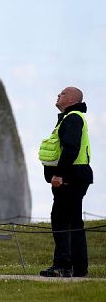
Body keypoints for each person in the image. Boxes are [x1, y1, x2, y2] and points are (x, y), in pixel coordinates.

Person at [39, 87, 93, 278]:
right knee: (73, 221)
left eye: (61, 94)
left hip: (70, 178)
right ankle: (78, 267)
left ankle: (64, 265)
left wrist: (60, 175)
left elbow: (70, 148)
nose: (58, 95)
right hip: (76, 176)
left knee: (62, 221)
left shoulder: (72, 118)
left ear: (70, 100)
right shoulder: (72, 118)